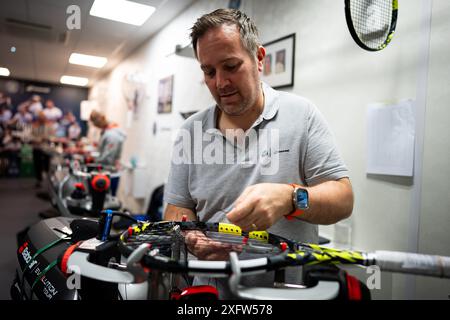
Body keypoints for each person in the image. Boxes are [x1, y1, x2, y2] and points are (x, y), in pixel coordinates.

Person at [163, 9, 354, 298]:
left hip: (287, 290)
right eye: (209, 71)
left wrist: (290, 198)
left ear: (259, 58)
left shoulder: (301, 115)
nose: (220, 83)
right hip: (210, 292)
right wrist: (192, 237)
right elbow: (176, 209)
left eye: (230, 66)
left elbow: (343, 200)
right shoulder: (190, 130)